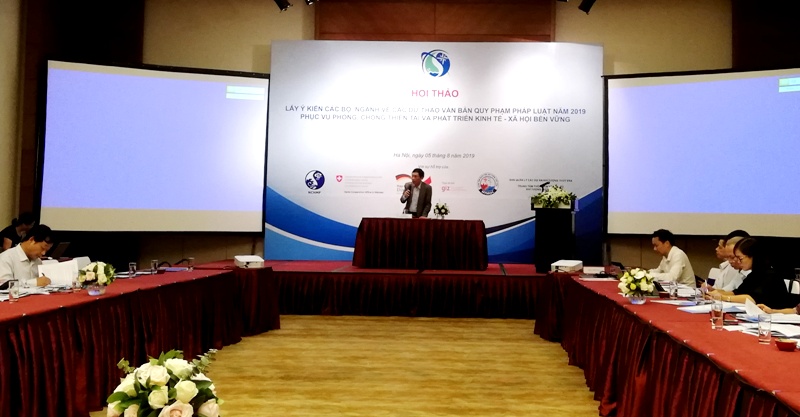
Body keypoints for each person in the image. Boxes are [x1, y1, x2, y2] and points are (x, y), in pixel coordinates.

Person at [708, 238, 794, 308]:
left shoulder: (770, 275)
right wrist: (714, 294)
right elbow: (737, 292)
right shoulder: (754, 274)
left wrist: (723, 297)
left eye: (740, 258)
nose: (738, 261)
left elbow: (752, 298)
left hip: (774, 317)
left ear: (753, 256)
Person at [0, 224, 53, 289]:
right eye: (42, 248)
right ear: (32, 240)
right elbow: (3, 286)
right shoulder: (6, 258)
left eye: (46, 251)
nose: (43, 253)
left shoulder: (38, 261)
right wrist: (34, 283)